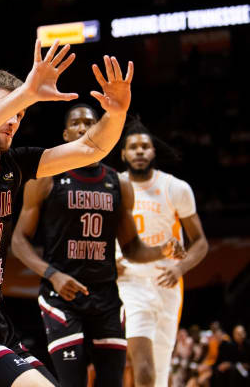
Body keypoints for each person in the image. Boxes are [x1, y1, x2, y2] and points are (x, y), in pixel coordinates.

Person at [0, 41, 136, 387]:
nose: (15, 120)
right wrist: (26, 92)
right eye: (8, 109)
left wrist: (118, 114)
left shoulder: (15, 165)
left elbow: (91, 147)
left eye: (21, 114)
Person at [11, 104, 184, 387]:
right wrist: (52, 274)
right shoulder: (46, 178)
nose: (83, 128)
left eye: (90, 123)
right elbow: (19, 241)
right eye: (76, 123)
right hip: (61, 297)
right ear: (66, 134)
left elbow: (131, 248)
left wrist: (161, 250)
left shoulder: (118, 182)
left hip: (106, 296)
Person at [116, 121, 209, 387]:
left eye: (145, 146)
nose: (140, 151)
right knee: (143, 367)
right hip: (130, 281)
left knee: (160, 371)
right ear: (123, 154)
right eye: (133, 147)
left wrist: (180, 268)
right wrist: (109, 263)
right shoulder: (115, 185)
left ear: (154, 152)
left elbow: (200, 242)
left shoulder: (176, 188)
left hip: (167, 283)